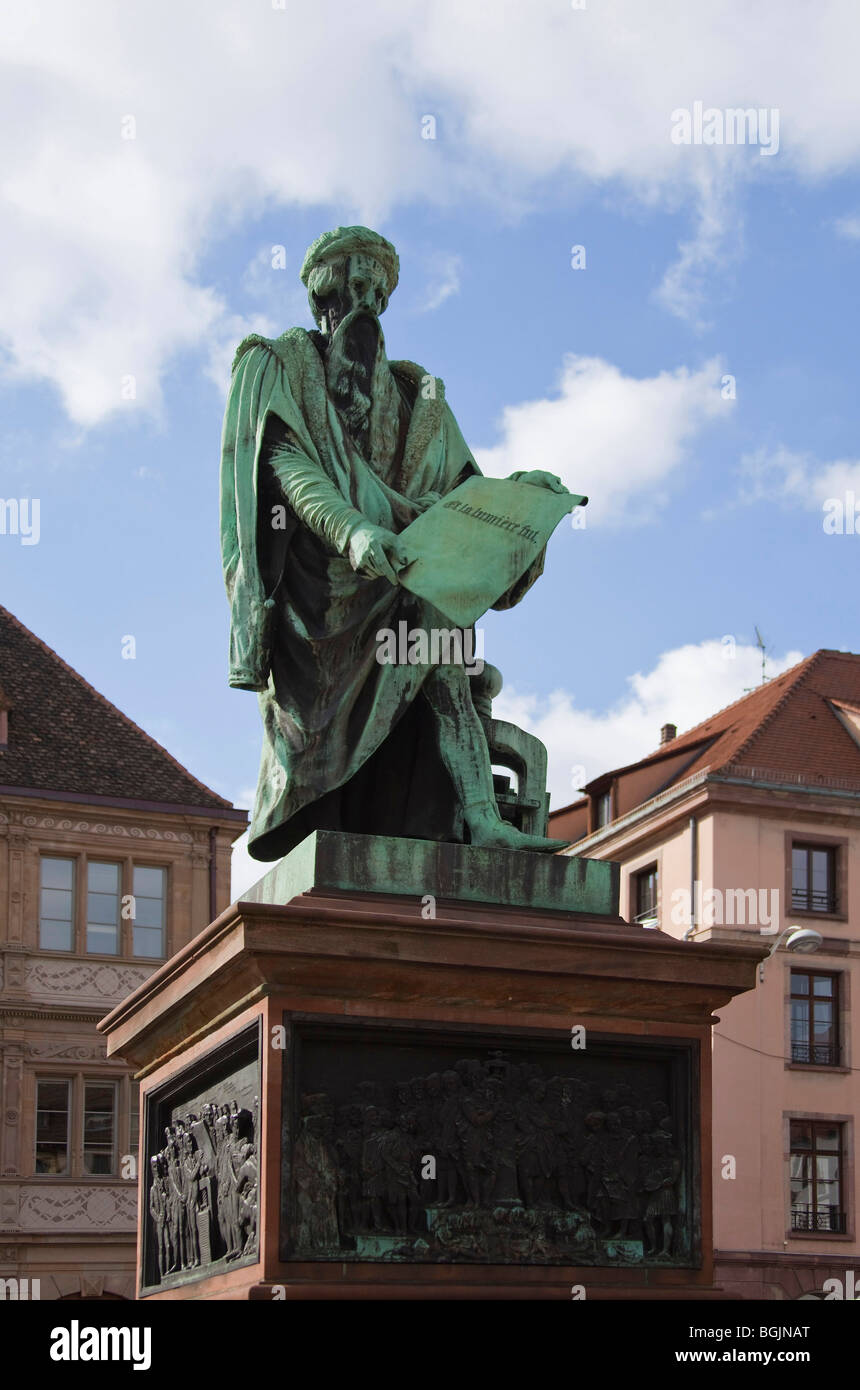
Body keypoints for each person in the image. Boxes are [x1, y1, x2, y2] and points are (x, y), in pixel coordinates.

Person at [221, 224, 570, 860]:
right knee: (430, 633)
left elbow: (469, 495)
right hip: (324, 592)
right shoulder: (276, 364)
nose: (363, 297)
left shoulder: (420, 394)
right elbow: (286, 464)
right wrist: (352, 531)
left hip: (405, 573)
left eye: (376, 287)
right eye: (350, 283)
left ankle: (481, 816)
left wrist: (523, 496)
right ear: (320, 296)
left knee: (441, 643)